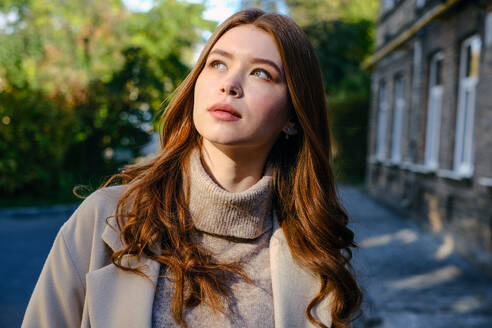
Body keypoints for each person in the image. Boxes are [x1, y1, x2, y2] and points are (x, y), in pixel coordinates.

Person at [22, 7, 362, 328]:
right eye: (217, 64)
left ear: (292, 116)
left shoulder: (315, 256)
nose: (230, 84)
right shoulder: (105, 219)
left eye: (261, 73)